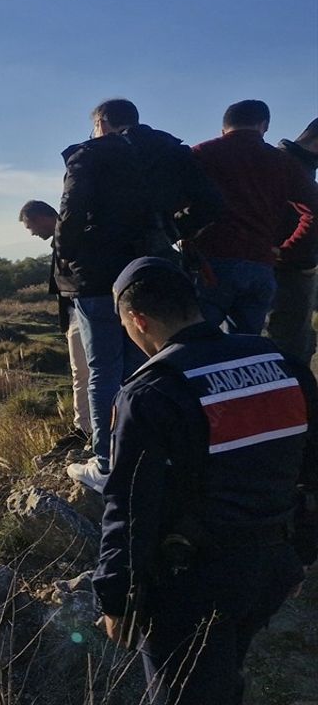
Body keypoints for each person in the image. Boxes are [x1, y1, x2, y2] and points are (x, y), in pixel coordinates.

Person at [93, 256, 318, 704]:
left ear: (138, 320)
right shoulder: (283, 364)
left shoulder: (151, 392)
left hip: (192, 586)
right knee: (222, 674)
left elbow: (131, 509)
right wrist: (302, 555)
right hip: (272, 567)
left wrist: (114, 599)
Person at [56, 99, 158, 491]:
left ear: (100, 123)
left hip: (97, 277)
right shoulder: (160, 152)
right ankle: (143, 451)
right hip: (145, 272)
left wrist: (67, 255)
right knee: (140, 364)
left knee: (103, 369)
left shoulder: (89, 155)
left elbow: (72, 210)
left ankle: (106, 462)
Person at [190, 101, 318, 335]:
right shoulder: (282, 162)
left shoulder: (202, 153)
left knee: (199, 342)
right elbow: (314, 209)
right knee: (248, 348)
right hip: (260, 264)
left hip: (211, 262)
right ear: (264, 126)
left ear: (223, 127)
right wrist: (290, 248)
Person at [19, 199, 90, 458]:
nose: (32, 232)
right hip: (78, 314)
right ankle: (87, 426)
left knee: (83, 373)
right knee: (82, 373)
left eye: (30, 226)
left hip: (83, 312)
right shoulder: (65, 236)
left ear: (41, 217)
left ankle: (85, 429)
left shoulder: (71, 236)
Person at [267, 117, 318, 364]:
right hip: (286, 271)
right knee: (289, 348)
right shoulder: (291, 166)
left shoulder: (288, 162)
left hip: (284, 266)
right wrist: (288, 252)